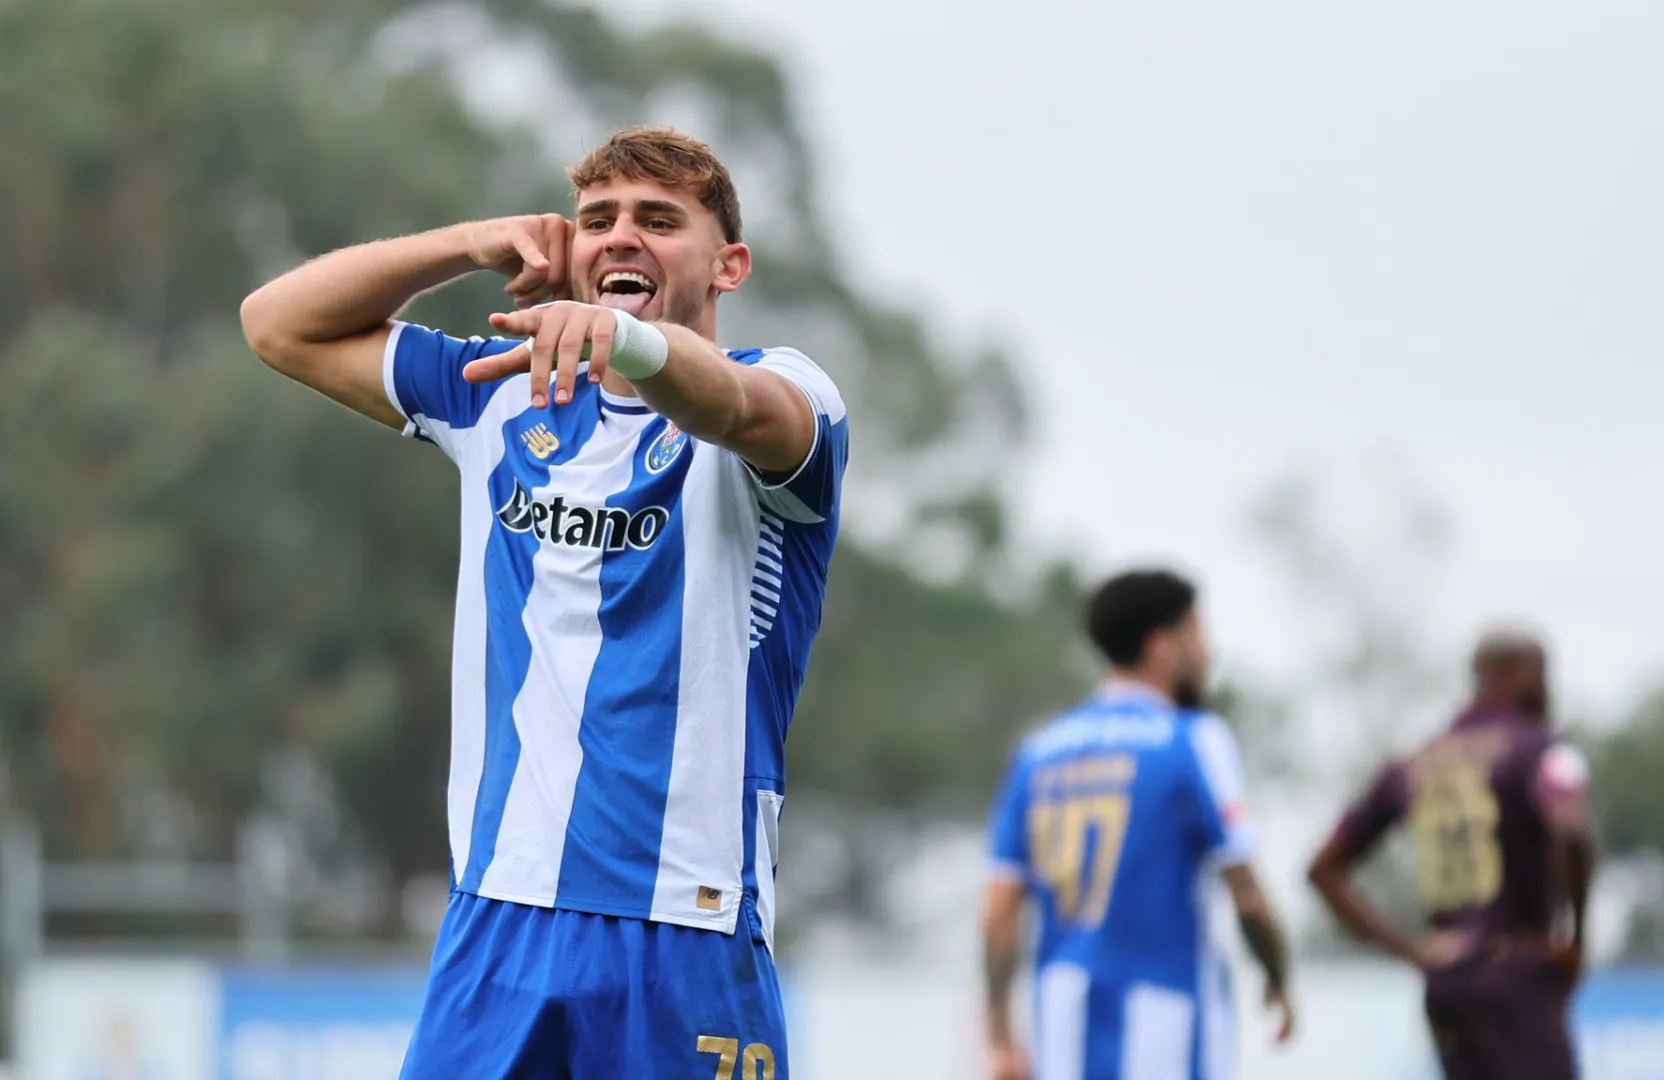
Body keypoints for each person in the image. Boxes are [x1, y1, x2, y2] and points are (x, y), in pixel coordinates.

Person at [239, 127, 845, 1078]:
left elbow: (741, 409)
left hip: (688, 924)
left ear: (730, 265)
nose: (622, 237)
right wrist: (469, 243)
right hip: (501, 918)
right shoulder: (501, 396)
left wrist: (633, 344)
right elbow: (277, 323)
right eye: (598, 220)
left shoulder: (788, 392)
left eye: (659, 220)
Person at [981, 569, 1295, 1080]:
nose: (1208, 654)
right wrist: (1278, 976)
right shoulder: (1193, 740)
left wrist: (999, 1039)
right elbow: (1247, 893)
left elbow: (998, 913)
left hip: (1059, 1028)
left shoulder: (1037, 754)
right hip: (1164, 1023)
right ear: (1160, 646)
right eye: (1197, 634)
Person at [1307, 629, 1593, 1080]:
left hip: (1445, 981)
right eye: (1543, 677)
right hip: (1515, 967)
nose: (1548, 692)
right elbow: (1572, 832)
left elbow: (1323, 870)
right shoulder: (1538, 747)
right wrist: (1574, 935)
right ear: (1521, 674)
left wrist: (1406, 950)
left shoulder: (1415, 760)